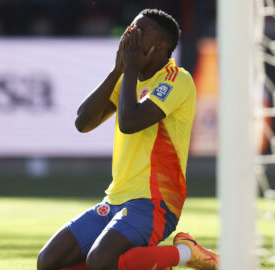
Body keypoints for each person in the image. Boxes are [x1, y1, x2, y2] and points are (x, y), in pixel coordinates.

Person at [37, 9, 218, 270]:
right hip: (114, 200)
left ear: (159, 47)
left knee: (101, 260)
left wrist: (130, 69)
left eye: (139, 32)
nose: (129, 36)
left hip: (156, 201)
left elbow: (131, 122)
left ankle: (185, 253)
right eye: (130, 29)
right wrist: (117, 71)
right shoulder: (126, 79)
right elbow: (83, 123)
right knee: (48, 262)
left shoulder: (177, 79)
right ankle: (147, 264)